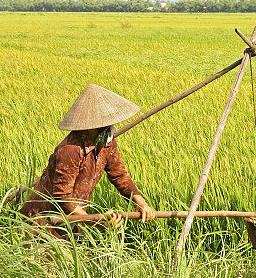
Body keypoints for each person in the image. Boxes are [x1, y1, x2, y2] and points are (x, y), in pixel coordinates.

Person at [20, 83, 155, 238]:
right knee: (51, 261)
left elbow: (119, 175)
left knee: (72, 258)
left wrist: (141, 203)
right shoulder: (71, 150)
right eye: (104, 124)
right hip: (43, 220)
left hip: (71, 218)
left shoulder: (106, 142)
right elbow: (63, 198)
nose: (109, 127)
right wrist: (96, 220)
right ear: (90, 126)